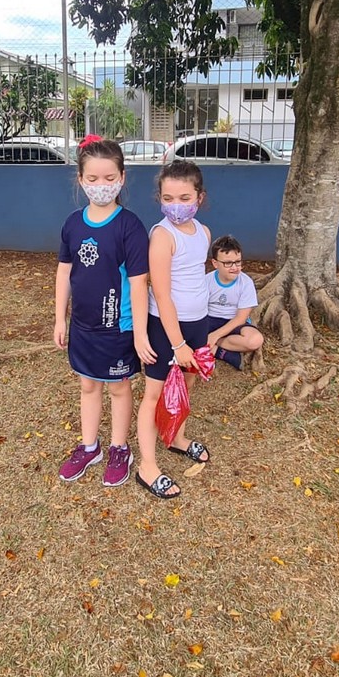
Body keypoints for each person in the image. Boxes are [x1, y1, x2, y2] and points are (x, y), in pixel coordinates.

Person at [54, 139, 151, 486]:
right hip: (83, 326)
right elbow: (64, 272)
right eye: (92, 179)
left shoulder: (130, 227)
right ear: (80, 179)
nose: (101, 185)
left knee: (118, 388)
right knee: (88, 385)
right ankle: (89, 446)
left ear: (122, 177)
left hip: (117, 327)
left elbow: (139, 284)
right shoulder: (72, 224)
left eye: (109, 178)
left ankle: (119, 448)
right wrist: (59, 317)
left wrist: (139, 333)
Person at [135, 160, 213, 499]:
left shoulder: (204, 232)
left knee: (187, 384)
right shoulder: (162, 236)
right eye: (168, 198)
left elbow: (196, 279)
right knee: (154, 394)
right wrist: (178, 343)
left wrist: (199, 335)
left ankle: (177, 437)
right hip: (167, 328)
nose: (176, 205)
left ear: (199, 197)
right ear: (159, 198)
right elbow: (162, 294)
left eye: (184, 198)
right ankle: (147, 465)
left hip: (198, 324)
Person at [204, 234, 263, 370]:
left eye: (238, 262)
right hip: (209, 319)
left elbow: (241, 318)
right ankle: (221, 352)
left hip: (234, 322)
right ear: (215, 263)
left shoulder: (246, 283)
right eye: (228, 263)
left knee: (255, 340)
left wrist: (214, 336)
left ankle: (212, 343)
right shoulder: (206, 281)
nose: (234, 267)